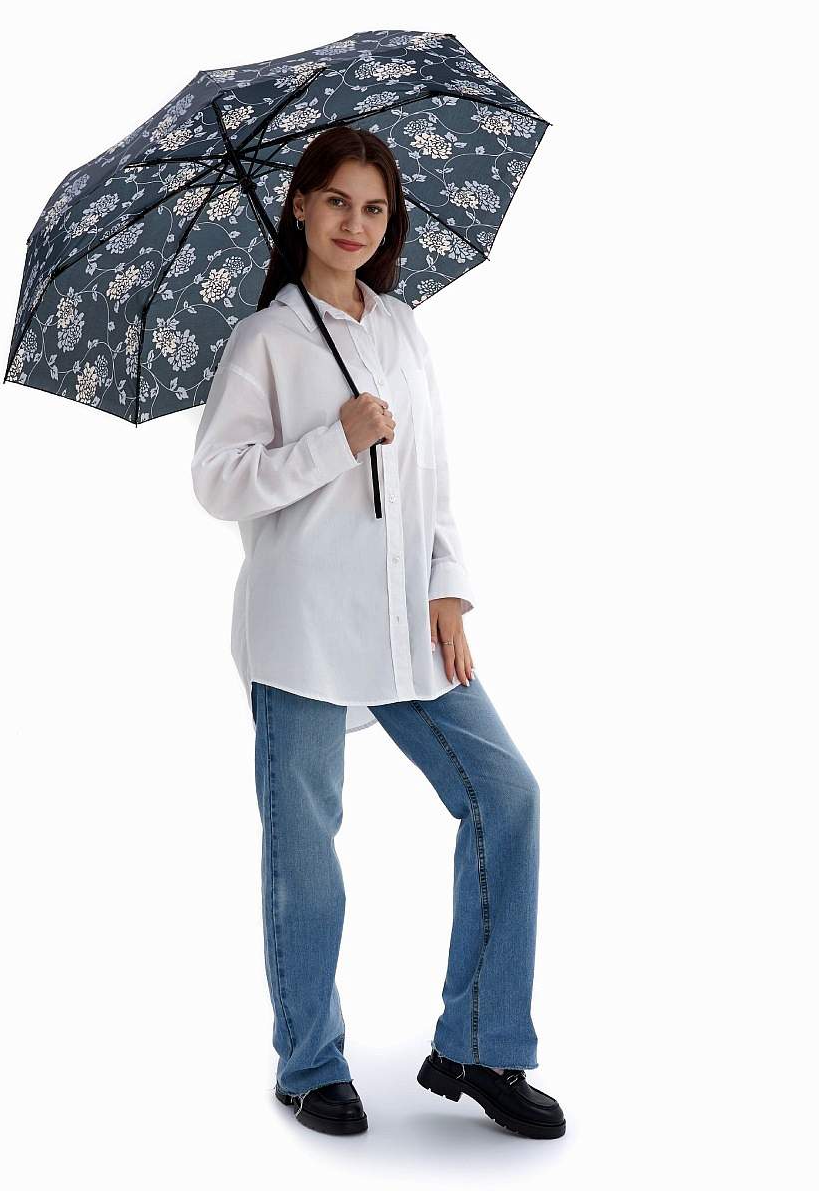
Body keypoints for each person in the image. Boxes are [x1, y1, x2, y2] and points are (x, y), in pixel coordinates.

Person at [191, 125, 565, 1139]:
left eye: (374, 207)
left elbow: (432, 469)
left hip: (408, 622)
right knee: (305, 851)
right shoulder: (265, 340)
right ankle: (309, 1063)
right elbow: (217, 484)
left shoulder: (401, 329)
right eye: (337, 201)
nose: (355, 223)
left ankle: (478, 1043)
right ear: (300, 206)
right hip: (303, 628)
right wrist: (335, 439)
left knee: (506, 796)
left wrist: (449, 585)